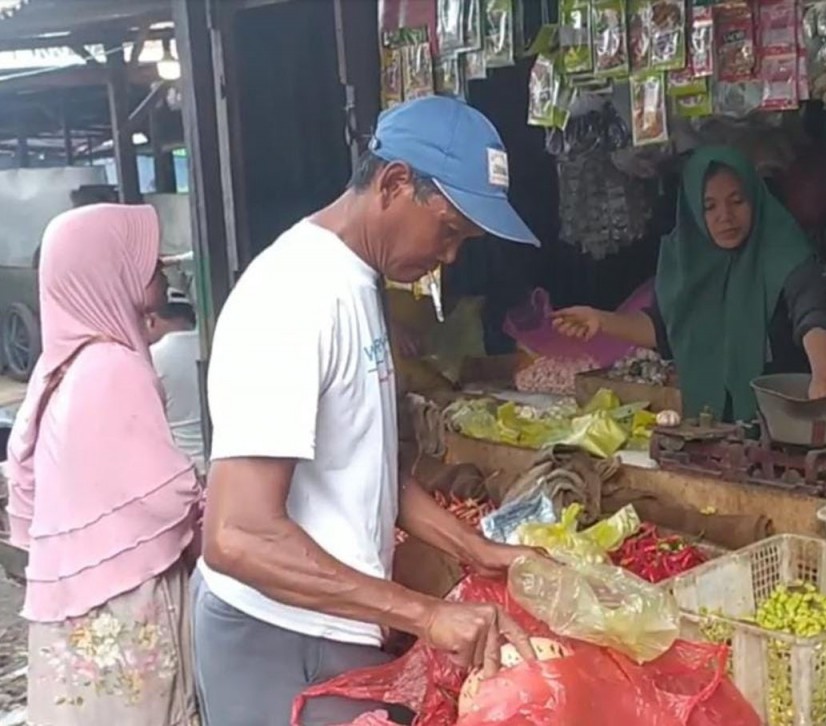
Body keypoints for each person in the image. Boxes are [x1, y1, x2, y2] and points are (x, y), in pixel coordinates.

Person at [194, 96, 543, 725]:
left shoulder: (355, 284)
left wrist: (474, 548)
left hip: (334, 624)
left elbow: (361, 457)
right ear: (395, 183)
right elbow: (236, 535)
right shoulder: (295, 296)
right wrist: (425, 613)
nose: (451, 255)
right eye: (449, 229)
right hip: (278, 634)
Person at [5, 204, 202, 725]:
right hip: (127, 600)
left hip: (72, 610)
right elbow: (167, 496)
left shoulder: (56, 370)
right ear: (105, 269)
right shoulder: (114, 366)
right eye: (145, 263)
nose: (158, 269)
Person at [552, 145, 826, 423]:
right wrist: (600, 319)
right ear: (694, 210)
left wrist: (825, 374)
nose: (726, 217)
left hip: (787, 417)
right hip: (709, 422)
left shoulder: (783, 248)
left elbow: (813, 313)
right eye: (709, 206)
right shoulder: (685, 259)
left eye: (737, 201)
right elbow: (664, 328)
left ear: (755, 198)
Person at [146, 290, 205, 476]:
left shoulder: (151, 358)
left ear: (151, 320)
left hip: (181, 469)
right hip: (222, 464)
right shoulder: (213, 345)